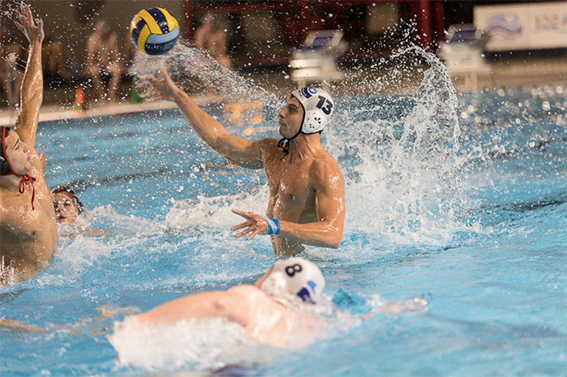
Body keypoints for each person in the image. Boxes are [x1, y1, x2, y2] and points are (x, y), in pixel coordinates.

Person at [140, 71, 345, 257]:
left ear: (313, 120)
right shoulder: (272, 152)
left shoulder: (323, 170)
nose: (281, 112)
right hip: (282, 265)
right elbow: (220, 140)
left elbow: (333, 235)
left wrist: (273, 226)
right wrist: (179, 97)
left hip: (310, 269)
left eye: (291, 110)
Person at [125, 257, 422, 348]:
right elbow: (354, 324)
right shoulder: (306, 322)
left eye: (267, 273)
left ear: (275, 282)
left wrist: (136, 325)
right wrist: (389, 309)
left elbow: (220, 305)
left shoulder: (253, 298)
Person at [0, 5, 58, 283]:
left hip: (58, 269)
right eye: (16, 148)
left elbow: (32, 99)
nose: (26, 147)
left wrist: (36, 44)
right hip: (19, 292)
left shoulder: (30, 158)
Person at [85, 20, 122, 102]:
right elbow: (90, 55)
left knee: (118, 70)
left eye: (102, 30)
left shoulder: (112, 38)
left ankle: (111, 95)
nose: (100, 33)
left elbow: (116, 54)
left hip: (109, 64)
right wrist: (88, 67)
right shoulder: (92, 39)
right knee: (94, 72)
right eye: (98, 30)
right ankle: (102, 96)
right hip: (98, 64)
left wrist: (120, 65)